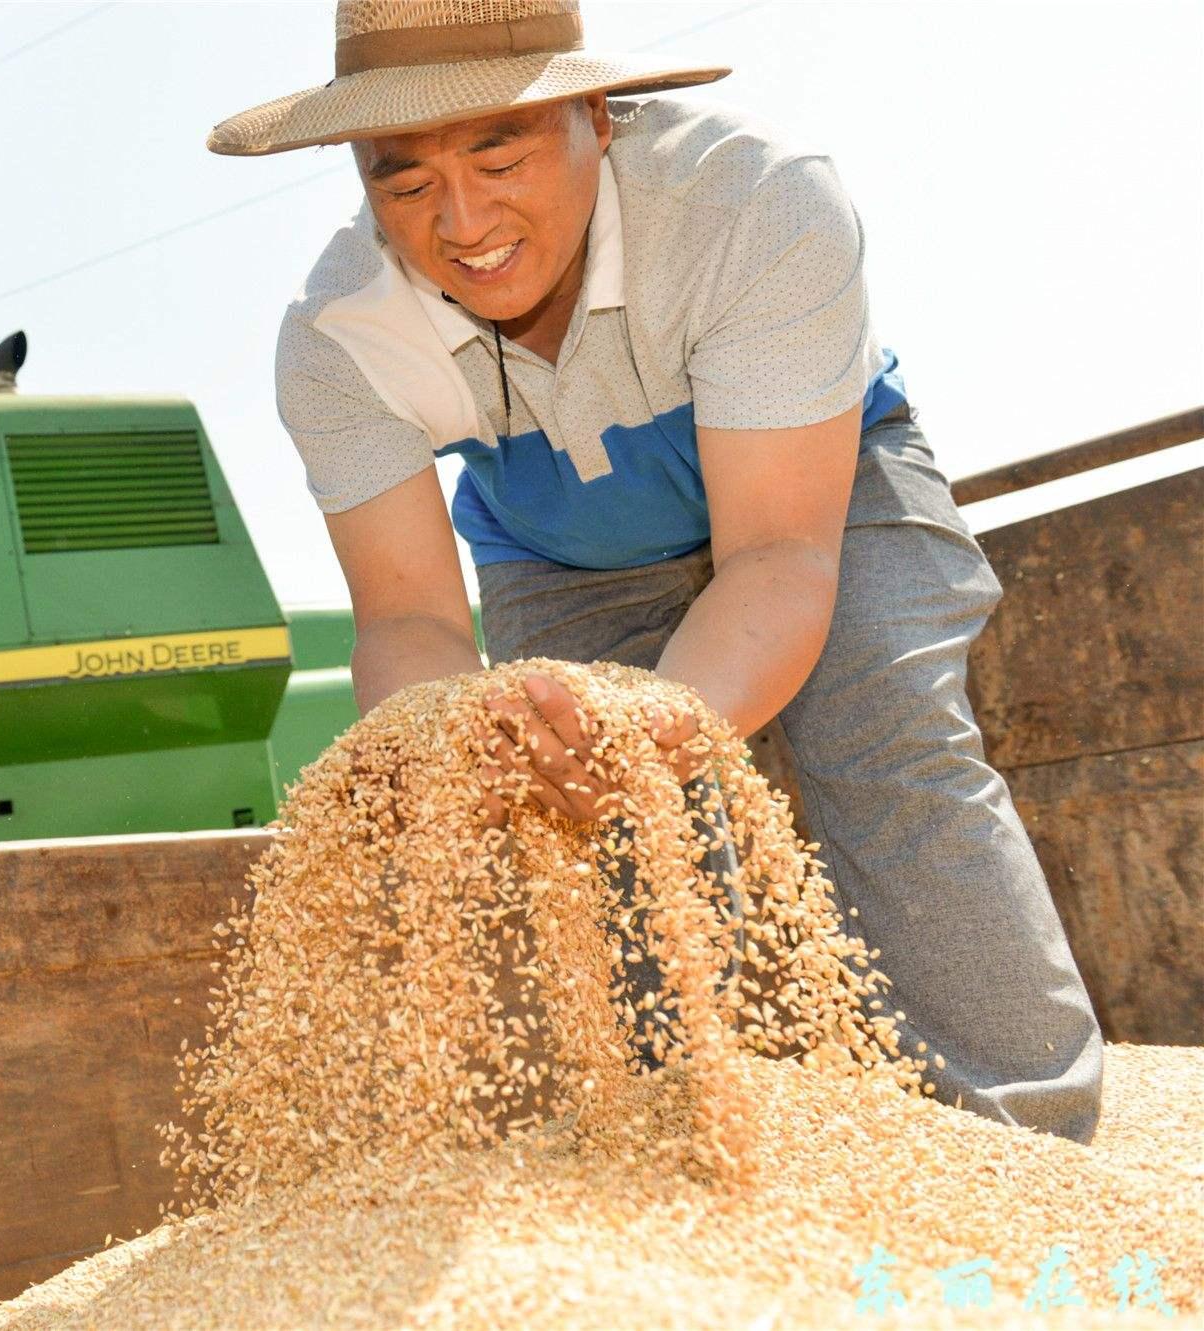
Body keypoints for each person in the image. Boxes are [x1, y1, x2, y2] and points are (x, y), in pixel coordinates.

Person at [209, 0, 1102, 1142]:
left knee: (883, 733)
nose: (464, 219)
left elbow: (777, 554)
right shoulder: (333, 339)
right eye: (404, 182)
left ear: (593, 113)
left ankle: (1021, 1134)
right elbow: (406, 618)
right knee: (598, 814)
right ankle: (692, 1130)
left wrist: (648, 722)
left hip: (819, 491)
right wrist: (457, 732)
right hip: (559, 550)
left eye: (498, 152)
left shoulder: (753, 201)